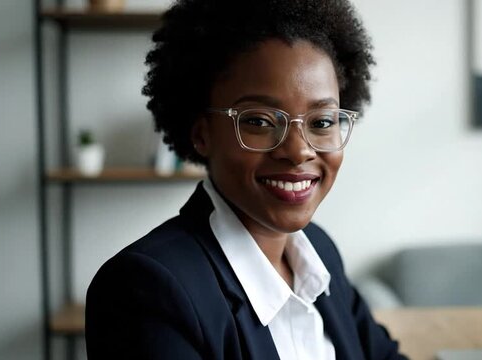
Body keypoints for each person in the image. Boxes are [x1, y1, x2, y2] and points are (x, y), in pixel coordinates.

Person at [85, 0, 408, 359]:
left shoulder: (318, 251)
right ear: (201, 133)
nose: (298, 151)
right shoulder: (146, 290)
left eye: (321, 122)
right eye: (259, 121)